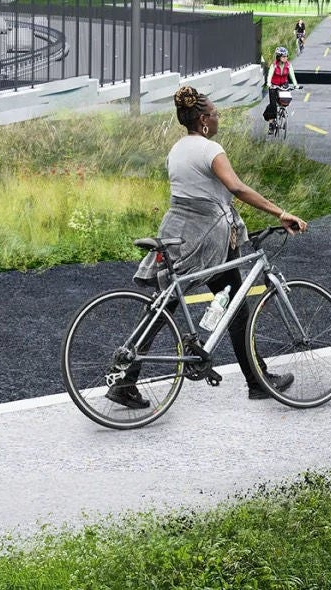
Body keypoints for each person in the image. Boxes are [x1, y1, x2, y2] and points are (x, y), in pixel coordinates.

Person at [113, 87, 308, 408]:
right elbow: (236, 187)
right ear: (203, 120)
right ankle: (257, 381)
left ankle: (124, 378)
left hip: (177, 232)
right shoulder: (210, 149)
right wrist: (281, 212)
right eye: (215, 114)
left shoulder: (176, 150)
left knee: (163, 307)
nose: (218, 119)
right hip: (209, 237)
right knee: (235, 305)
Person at [261, 46, 301, 131]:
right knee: (273, 105)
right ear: (279, 57)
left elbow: (292, 76)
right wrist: (269, 84)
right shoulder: (274, 66)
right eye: (283, 56)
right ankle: (271, 124)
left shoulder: (288, 65)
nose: (286, 58)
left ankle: (282, 111)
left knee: (285, 100)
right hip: (274, 85)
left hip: (284, 84)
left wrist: (295, 85)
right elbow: (269, 76)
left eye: (286, 56)